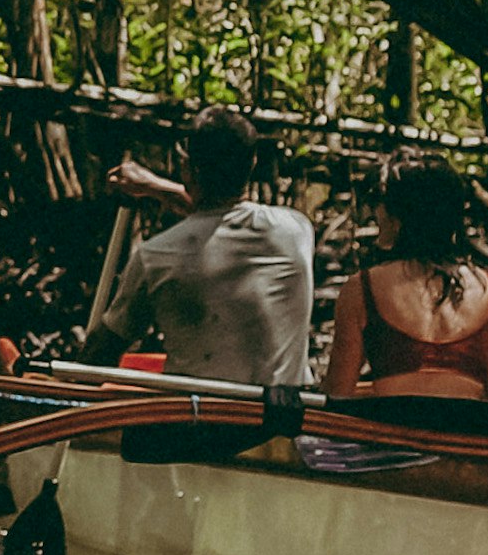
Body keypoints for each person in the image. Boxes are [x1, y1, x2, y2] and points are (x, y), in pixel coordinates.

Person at [81, 118, 319, 390]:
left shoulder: (155, 256)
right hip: (283, 418)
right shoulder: (297, 230)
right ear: (252, 163)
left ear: (187, 169)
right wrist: (156, 187)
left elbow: (100, 355)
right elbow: (221, 218)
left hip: (199, 427)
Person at [320, 164, 488, 430]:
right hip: (464, 446)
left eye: (384, 205)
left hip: (389, 445)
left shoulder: (363, 287)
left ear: (398, 217)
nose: (377, 213)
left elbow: (338, 395)